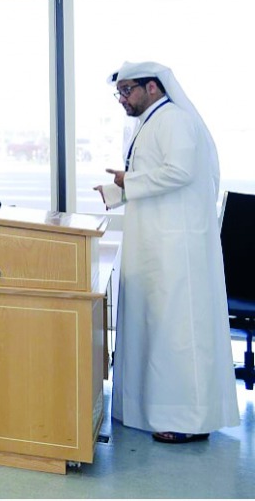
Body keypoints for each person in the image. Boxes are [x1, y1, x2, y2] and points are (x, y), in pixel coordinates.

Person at [95, 62, 239, 444]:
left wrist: (130, 181)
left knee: (177, 331)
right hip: (154, 242)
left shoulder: (174, 120)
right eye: (120, 93)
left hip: (177, 248)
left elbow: (180, 172)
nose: (122, 99)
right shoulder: (149, 122)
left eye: (128, 91)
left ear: (153, 87)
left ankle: (189, 420)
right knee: (153, 327)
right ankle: (146, 410)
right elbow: (149, 177)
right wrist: (116, 191)